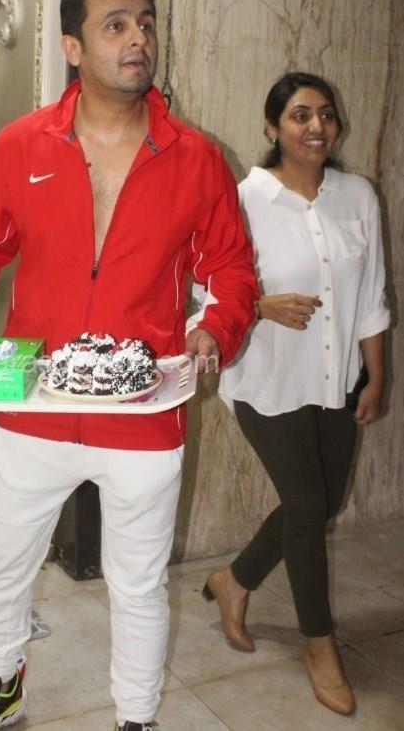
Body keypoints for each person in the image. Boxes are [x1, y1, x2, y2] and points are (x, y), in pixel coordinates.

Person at [0, 0, 257, 731]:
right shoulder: (21, 145)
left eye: (145, 23)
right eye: (115, 25)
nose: (137, 38)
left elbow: (231, 269)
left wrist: (215, 329)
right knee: (4, 561)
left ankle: (135, 717)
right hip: (33, 404)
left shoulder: (195, 158)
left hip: (144, 411)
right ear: (72, 47)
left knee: (136, 582)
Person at [211, 72, 390, 715]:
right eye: (300, 115)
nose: (317, 127)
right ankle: (320, 644)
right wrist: (258, 305)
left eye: (326, 114)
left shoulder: (357, 195)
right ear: (272, 127)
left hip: (336, 378)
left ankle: (234, 580)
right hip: (266, 379)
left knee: (318, 502)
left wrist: (376, 375)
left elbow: (371, 293)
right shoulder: (242, 200)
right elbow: (206, 293)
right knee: (310, 505)